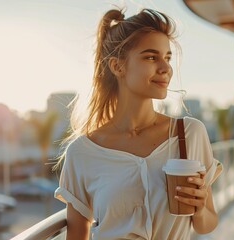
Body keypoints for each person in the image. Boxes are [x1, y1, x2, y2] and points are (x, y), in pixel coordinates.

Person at [54, 8, 221, 240]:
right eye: (151, 57)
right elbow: (76, 236)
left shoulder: (189, 134)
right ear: (117, 66)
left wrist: (201, 207)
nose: (166, 68)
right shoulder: (81, 152)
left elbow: (206, 224)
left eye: (168, 57)